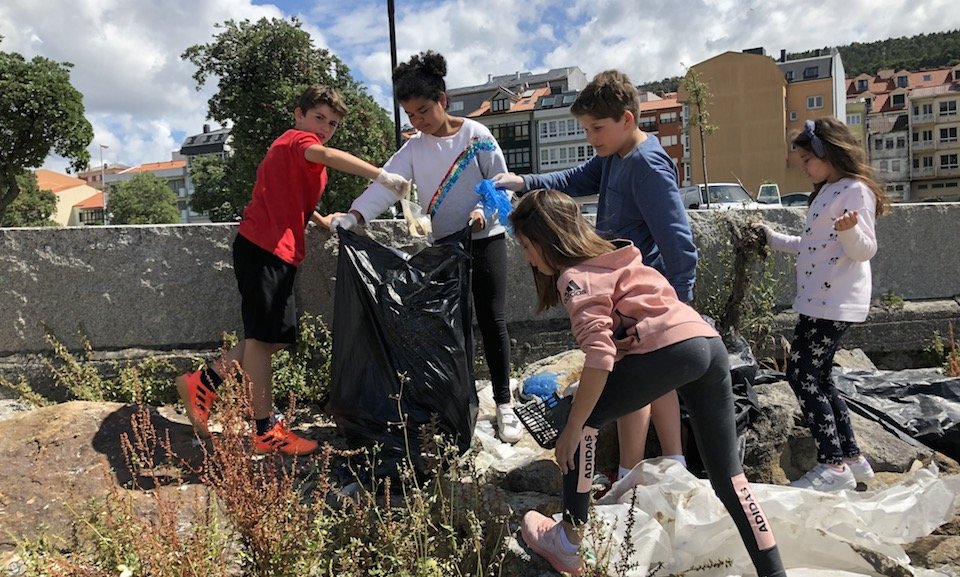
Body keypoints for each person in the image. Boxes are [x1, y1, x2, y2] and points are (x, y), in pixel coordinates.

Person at [510, 188, 786, 577]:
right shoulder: (619, 258)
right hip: (707, 345)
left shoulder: (574, 278)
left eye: (525, 246)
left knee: (579, 418)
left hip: (674, 353)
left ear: (544, 239)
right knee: (730, 477)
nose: (526, 257)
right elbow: (654, 314)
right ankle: (773, 571)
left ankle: (569, 541)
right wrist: (629, 344)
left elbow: (599, 357)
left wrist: (572, 428)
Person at [175, 84, 410, 456]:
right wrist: (382, 176)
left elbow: (289, 197)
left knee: (275, 338)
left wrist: (319, 220)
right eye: (319, 117)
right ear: (299, 114)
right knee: (261, 340)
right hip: (262, 247)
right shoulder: (294, 140)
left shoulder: (302, 156)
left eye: (332, 123)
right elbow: (326, 154)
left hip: (279, 251)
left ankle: (204, 381)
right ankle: (264, 429)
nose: (325, 127)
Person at [493, 70, 697, 478]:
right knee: (656, 382)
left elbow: (680, 243)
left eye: (596, 128)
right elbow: (573, 179)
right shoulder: (614, 156)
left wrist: (681, 306)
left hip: (645, 296)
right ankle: (669, 462)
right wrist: (524, 181)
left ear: (627, 119)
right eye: (585, 130)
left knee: (631, 384)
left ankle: (632, 470)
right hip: (630, 292)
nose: (591, 138)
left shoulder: (647, 165)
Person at [327, 51, 521, 444]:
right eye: (410, 115)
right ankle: (462, 403)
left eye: (423, 111)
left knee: (492, 320)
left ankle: (503, 404)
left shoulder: (476, 137)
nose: (417, 122)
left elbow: (500, 184)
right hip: (445, 249)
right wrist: (355, 217)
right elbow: (387, 184)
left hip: (485, 241)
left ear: (443, 101)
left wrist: (483, 212)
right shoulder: (415, 148)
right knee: (454, 326)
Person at [755, 116, 889, 491]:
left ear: (827, 153)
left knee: (800, 375)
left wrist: (849, 232)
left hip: (833, 302)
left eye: (806, 159)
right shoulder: (830, 190)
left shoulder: (853, 190)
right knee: (821, 378)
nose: (804, 166)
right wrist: (772, 238)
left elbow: (865, 249)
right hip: (819, 301)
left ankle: (832, 466)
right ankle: (851, 457)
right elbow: (812, 246)